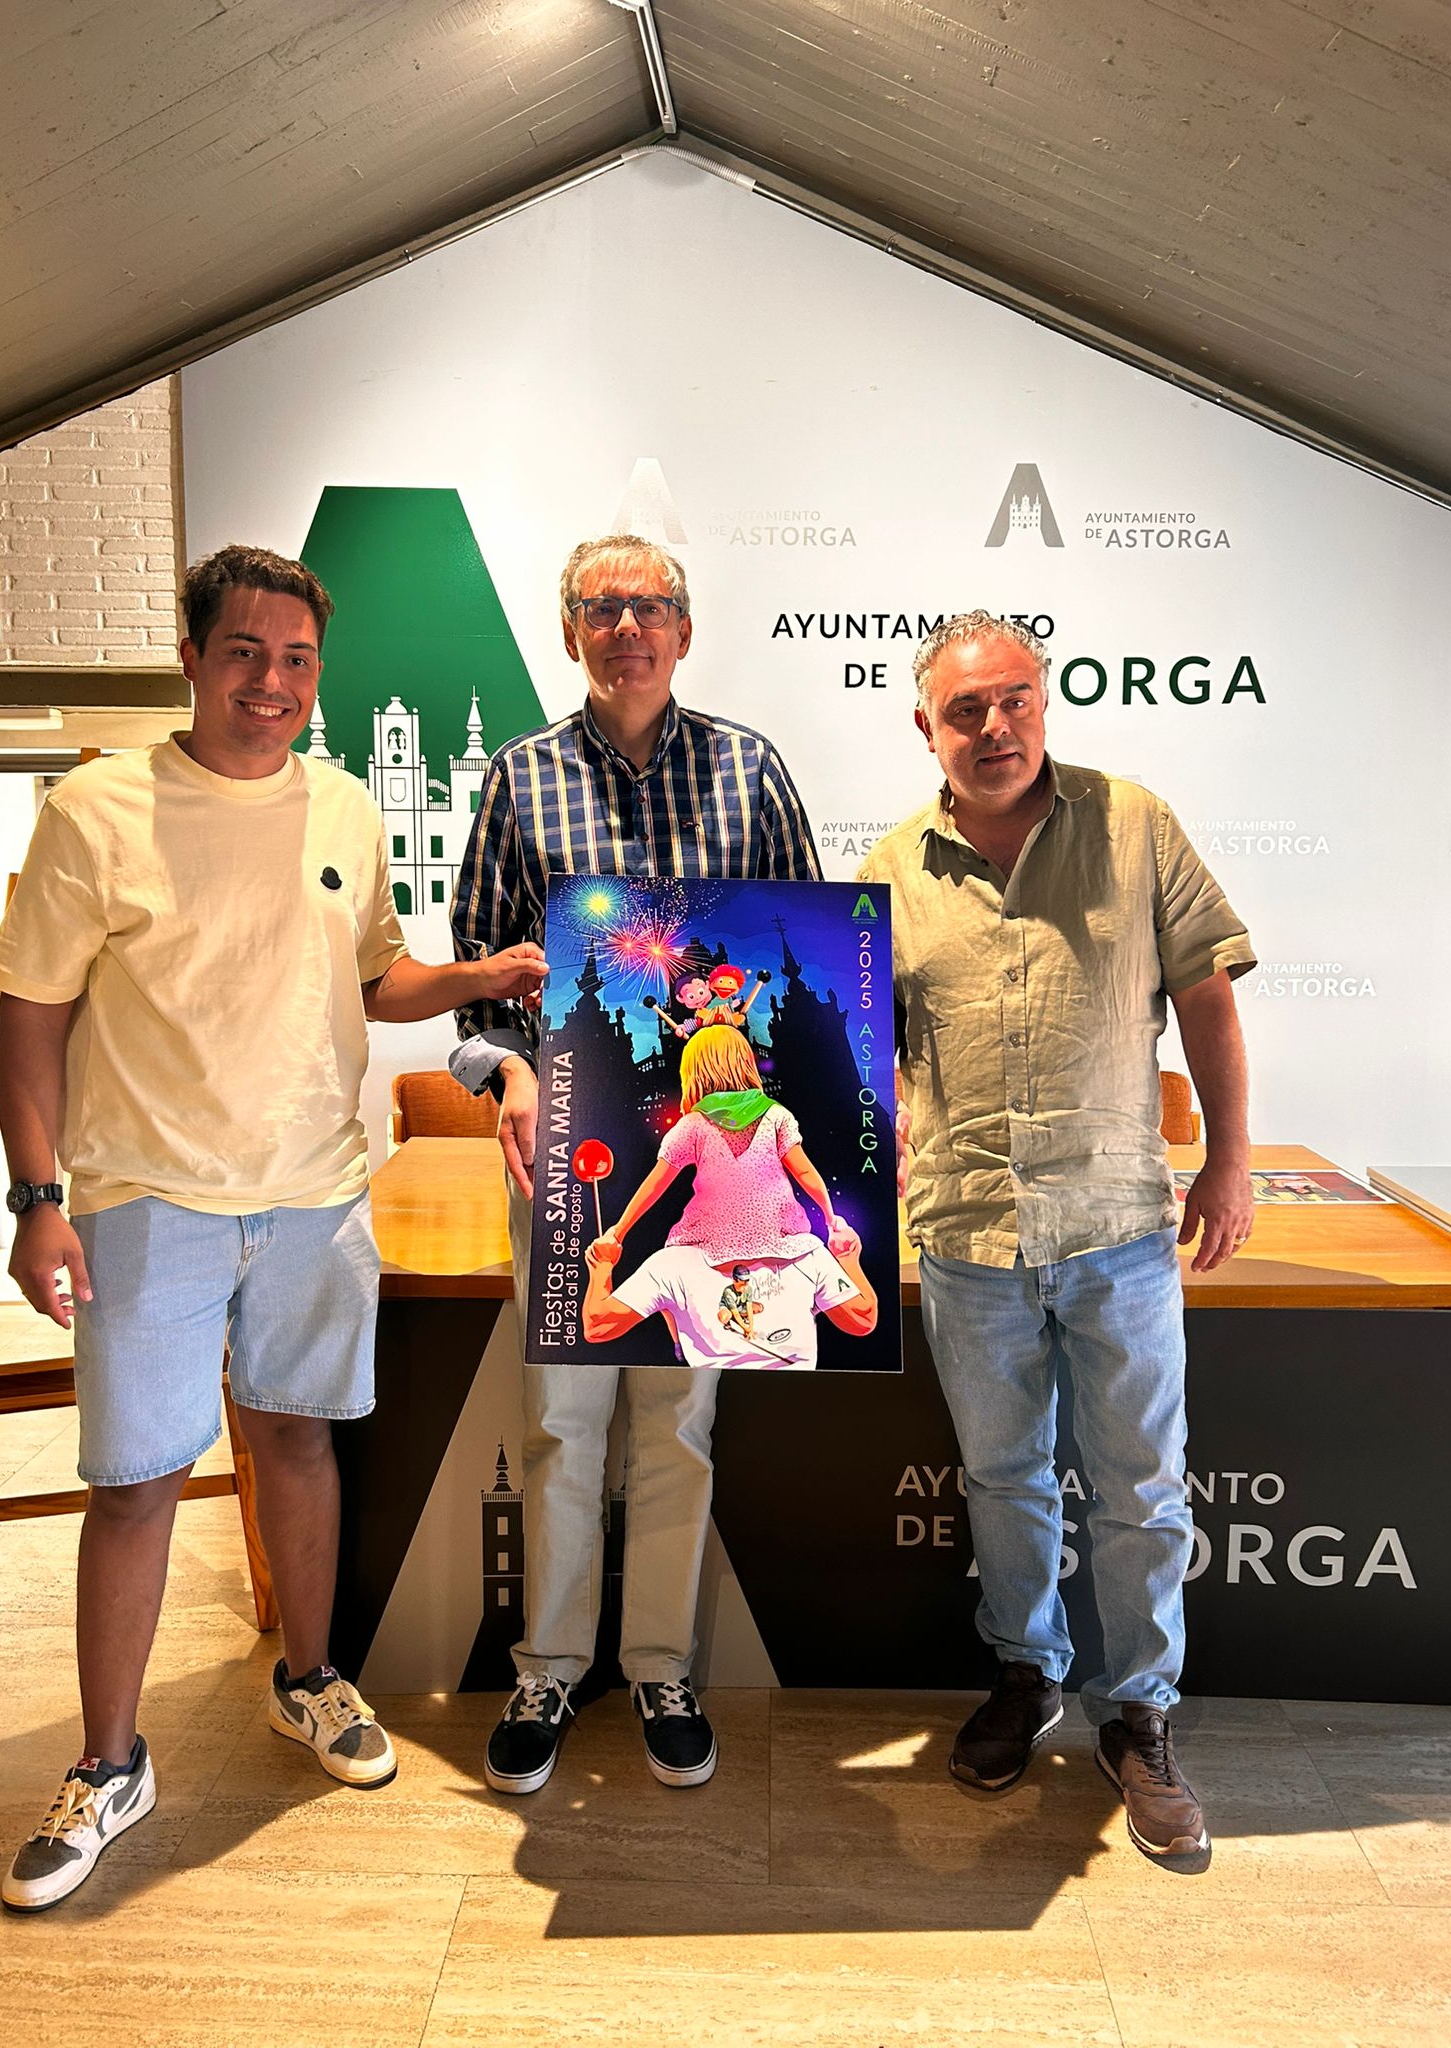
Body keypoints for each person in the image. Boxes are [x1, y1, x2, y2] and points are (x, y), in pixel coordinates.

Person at [0, 543, 544, 1912]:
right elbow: (31, 1018)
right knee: (133, 1486)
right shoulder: (98, 811)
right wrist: (38, 1200)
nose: (273, 682)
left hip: (313, 1192)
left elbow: (375, 973)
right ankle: (110, 1764)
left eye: (297, 660)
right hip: (145, 1201)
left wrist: (478, 976)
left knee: (298, 1435)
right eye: (245, 653)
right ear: (192, 656)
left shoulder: (343, 809)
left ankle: (309, 1677)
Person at [857, 610, 1255, 1859]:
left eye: (1014, 699)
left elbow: (1205, 997)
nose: (994, 726)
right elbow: (865, 1060)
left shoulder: (1133, 822)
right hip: (968, 1237)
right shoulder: (887, 868)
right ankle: (1028, 1675)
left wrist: (1231, 1159)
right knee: (1003, 1476)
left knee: (1140, 1481)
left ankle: (1139, 1714)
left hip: (1120, 1226)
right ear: (924, 723)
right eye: (965, 709)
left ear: (1045, 699)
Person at [450, 531, 820, 1795]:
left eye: (651, 605)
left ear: (685, 627)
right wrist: (500, 1070)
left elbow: (810, 952)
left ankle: (660, 1661)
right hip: (573, 1162)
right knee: (562, 1422)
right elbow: (477, 983)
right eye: (601, 608)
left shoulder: (751, 773)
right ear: (569, 633)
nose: (628, 627)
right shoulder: (519, 778)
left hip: (724, 1172)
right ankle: (550, 1663)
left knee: (682, 1424)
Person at [593, 1023, 854, 1268]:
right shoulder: (775, 1115)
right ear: (746, 1064)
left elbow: (655, 1184)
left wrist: (618, 1232)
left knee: (664, 1276)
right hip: (780, 1240)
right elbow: (805, 1172)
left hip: (711, 1247)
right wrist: (831, 1219)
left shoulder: (694, 1123)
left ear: (694, 1072)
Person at [581, 1226, 877, 1372]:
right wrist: (847, 1258)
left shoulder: (808, 1253)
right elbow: (862, 1318)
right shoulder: (673, 1262)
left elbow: (599, 1323)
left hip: (787, 1414)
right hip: (708, 1410)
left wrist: (602, 1266)